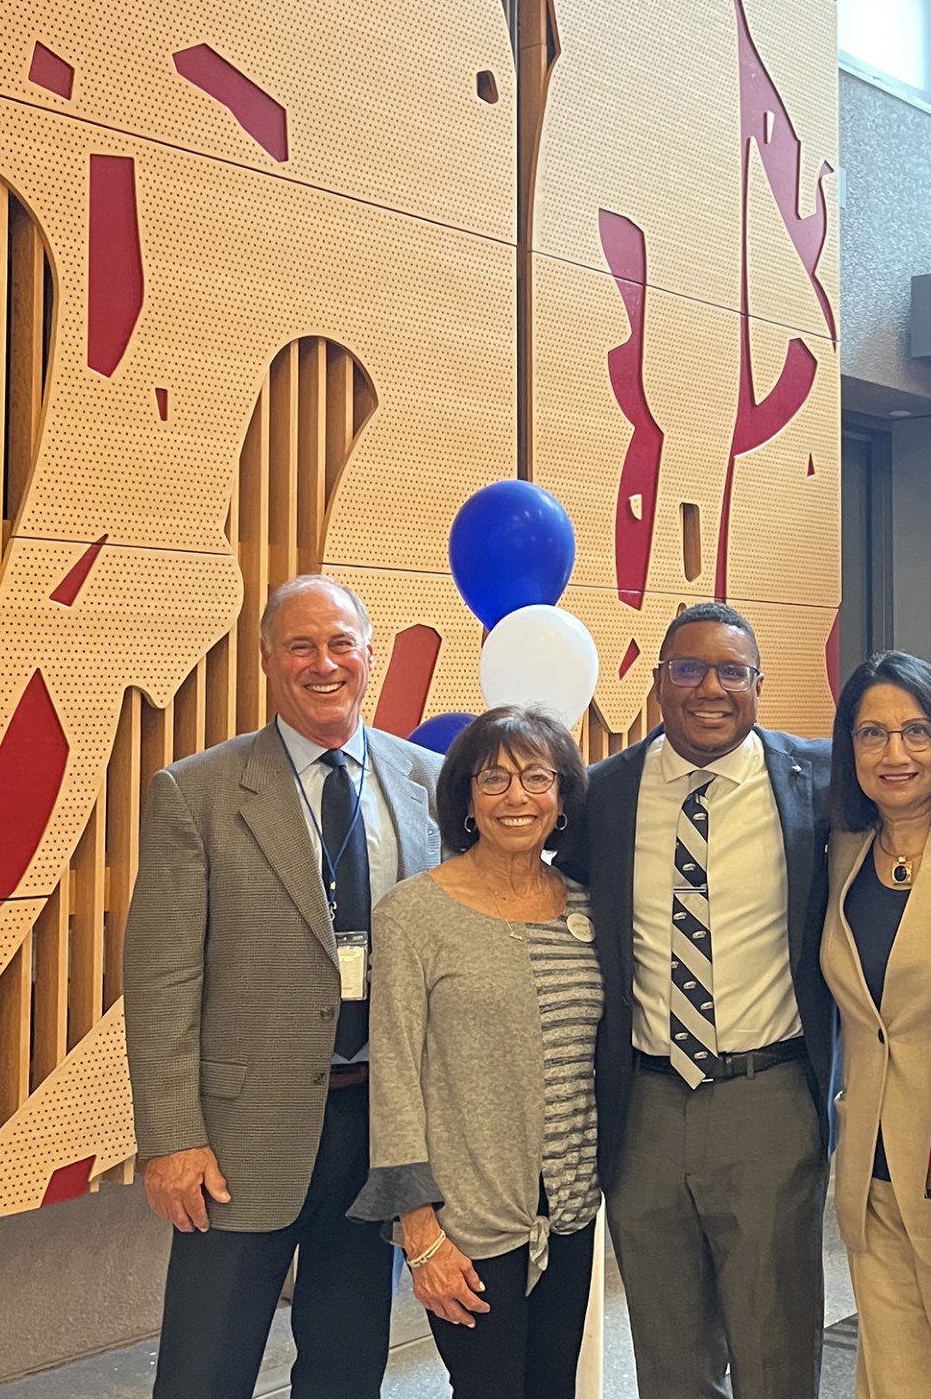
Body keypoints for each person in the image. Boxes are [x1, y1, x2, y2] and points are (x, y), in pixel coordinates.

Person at [123, 575, 443, 1399]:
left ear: (370, 655)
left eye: (341, 643)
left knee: (346, 1365)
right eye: (300, 646)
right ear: (268, 660)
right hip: (235, 1139)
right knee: (205, 1372)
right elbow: (161, 979)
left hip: (376, 1126)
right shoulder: (195, 792)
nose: (323, 663)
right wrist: (170, 1137)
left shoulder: (431, 784)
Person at [552, 601, 832, 1399]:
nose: (710, 688)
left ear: (757, 685)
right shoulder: (600, 794)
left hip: (769, 1100)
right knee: (668, 1357)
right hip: (642, 1105)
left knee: (776, 1351)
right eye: (688, 668)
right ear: (658, 681)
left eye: (731, 671)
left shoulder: (819, 781)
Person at [348, 706, 601, 1398]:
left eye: (535, 777)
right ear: (464, 797)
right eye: (493, 778)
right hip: (467, 1221)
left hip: (572, 1211)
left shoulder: (586, 906)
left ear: (562, 795)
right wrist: (420, 1232)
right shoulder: (413, 915)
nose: (516, 796)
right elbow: (394, 1077)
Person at [822, 653, 931, 1399]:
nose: (894, 754)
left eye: (914, 731)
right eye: (872, 734)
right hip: (867, 1166)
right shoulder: (841, 852)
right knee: (894, 1381)